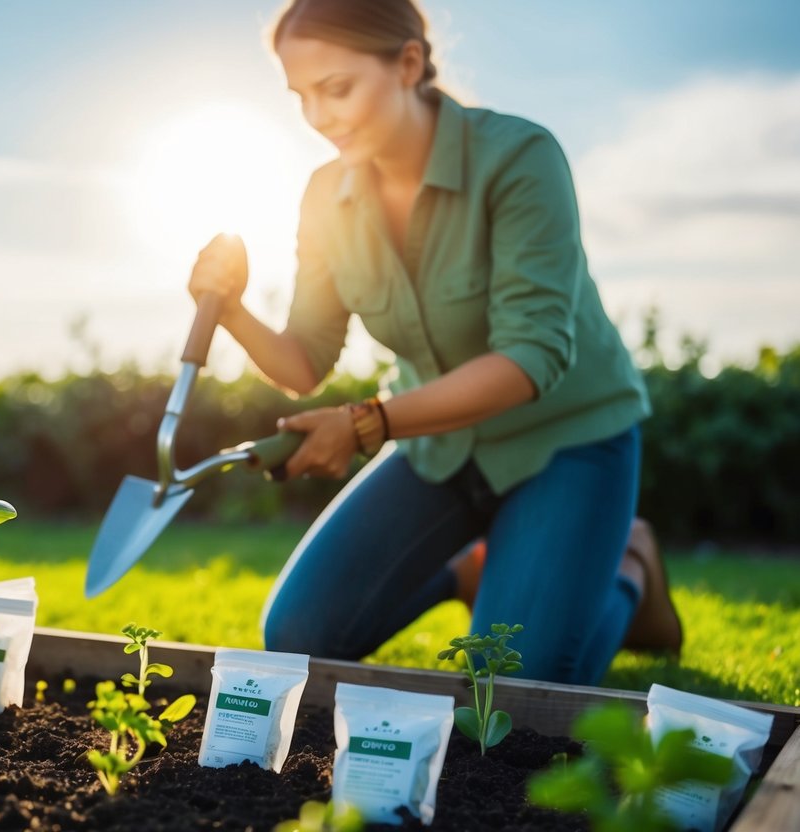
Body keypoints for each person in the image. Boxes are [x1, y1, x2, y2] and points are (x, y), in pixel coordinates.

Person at [187, 0, 682, 685]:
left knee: (504, 684)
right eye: (301, 96)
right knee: (298, 633)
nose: (319, 117)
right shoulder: (325, 196)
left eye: (336, 88)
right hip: (438, 443)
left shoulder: (517, 157)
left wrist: (366, 425)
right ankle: (470, 570)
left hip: (565, 440)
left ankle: (628, 567)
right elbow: (303, 363)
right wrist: (232, 312)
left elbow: (526, 361)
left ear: (408, 64)